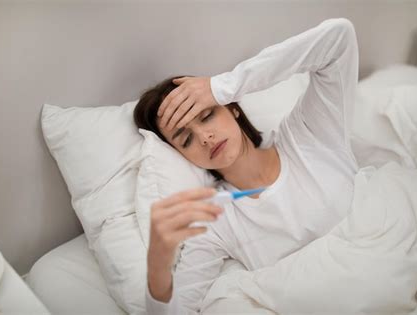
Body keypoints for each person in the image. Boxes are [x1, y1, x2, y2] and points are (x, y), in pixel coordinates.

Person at [133, 17, 360, 315]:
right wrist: (157, 267)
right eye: (185, 138)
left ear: (233, 107)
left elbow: (339, 37)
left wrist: (222, 85)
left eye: (206, 115)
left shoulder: (309, 133)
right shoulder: (216, 221)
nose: (204, 137)